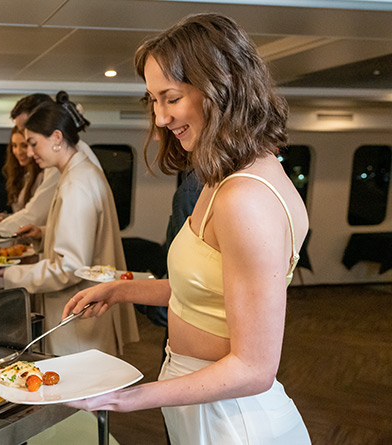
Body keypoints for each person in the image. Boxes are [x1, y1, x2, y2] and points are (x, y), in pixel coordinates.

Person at [61, 13, 311, 444]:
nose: (159, 118)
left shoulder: (244, 198)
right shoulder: (225, 179)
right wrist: (119, 290)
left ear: (220, 87)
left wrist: (127, 399)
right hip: (202, 404)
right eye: (153, 100)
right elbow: (203, 293)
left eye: (170, 98)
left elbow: (254, 369)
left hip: (233, 420)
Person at [0, 91, 139, 357]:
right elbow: (84, 236)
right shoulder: (80, 172)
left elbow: (70, 267)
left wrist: (8, 276)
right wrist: (44, 234)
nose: (29, 152)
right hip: (83, 305)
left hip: (77, 310)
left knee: (78, 392)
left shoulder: (76, 184)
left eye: (32, 143)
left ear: (56, 138)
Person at [0, 93, 102, 245]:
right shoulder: (69, 160)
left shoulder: (70, 173)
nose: (27, 149)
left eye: (27, 133)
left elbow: (35, 216)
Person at [0, 126, 41, 229]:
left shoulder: (41, 177)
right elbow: (19, 216)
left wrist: (0, 220)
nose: (18, 152)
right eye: (14, 146)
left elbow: (32, 219)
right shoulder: (22, 175)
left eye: (24, 146)